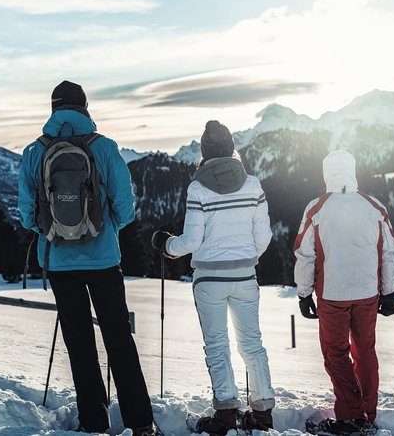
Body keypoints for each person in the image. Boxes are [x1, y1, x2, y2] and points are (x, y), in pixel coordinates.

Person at [18, 80, 157, 436]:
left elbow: (27, 214)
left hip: (60, 263)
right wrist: (105, 228)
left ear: (53, 109)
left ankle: (94, 422)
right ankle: (140, 422)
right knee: (118, 338)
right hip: (103, 260)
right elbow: (125, 206)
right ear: (84, 107)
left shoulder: (35, 151)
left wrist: (53, 233)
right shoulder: (105, 147)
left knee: (79, 343)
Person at [152, 120, 276, 434]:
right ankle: (262, 415)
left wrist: (166, 245)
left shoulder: (198, 187)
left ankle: (225, 414)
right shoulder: (253, 185)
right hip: (245, 276)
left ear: (205, 152)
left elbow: (191, 241)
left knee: (217, 346)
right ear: (232, 148)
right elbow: (264, 237)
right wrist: (247, 259)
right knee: (252, 345)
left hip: (209, 280)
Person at [293, 150, 394, 434]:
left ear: (327, 173)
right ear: (353, 171)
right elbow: (390, 252)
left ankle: (351, 416)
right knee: (365, 350)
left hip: (333, 294)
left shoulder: (317, 207)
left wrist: (304, 294)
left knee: (336, 354)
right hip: (367, 293)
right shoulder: (373, 206)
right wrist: (388, 291)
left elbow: (305, 255)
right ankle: (367, 411)